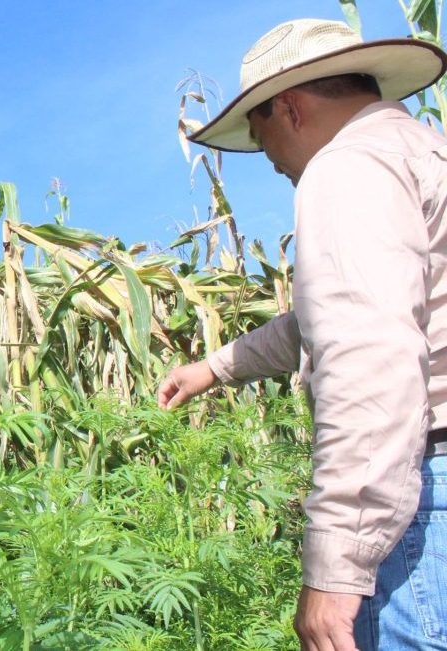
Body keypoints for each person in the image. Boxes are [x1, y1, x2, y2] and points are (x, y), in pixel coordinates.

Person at [158, 18, 447, 651]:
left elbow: (369, 352)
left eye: (263, 144)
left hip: (426, 499)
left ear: (289, 107)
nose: (275, 166)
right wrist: (216, 366)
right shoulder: (424, 153)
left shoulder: (348, 165)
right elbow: (340, 312)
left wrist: (337, 566)